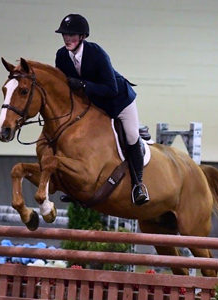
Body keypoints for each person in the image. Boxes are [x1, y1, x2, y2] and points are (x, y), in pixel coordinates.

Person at [55, 14, 149, 205]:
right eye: (64, 34)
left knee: (131, 136)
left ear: (82, 36)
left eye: (72, 35)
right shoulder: (61, 56)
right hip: (95, 105)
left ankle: (139, 185)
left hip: (119, 101)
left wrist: (82, 85)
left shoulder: (96, 53)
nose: (67, 38)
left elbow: (110, 88)